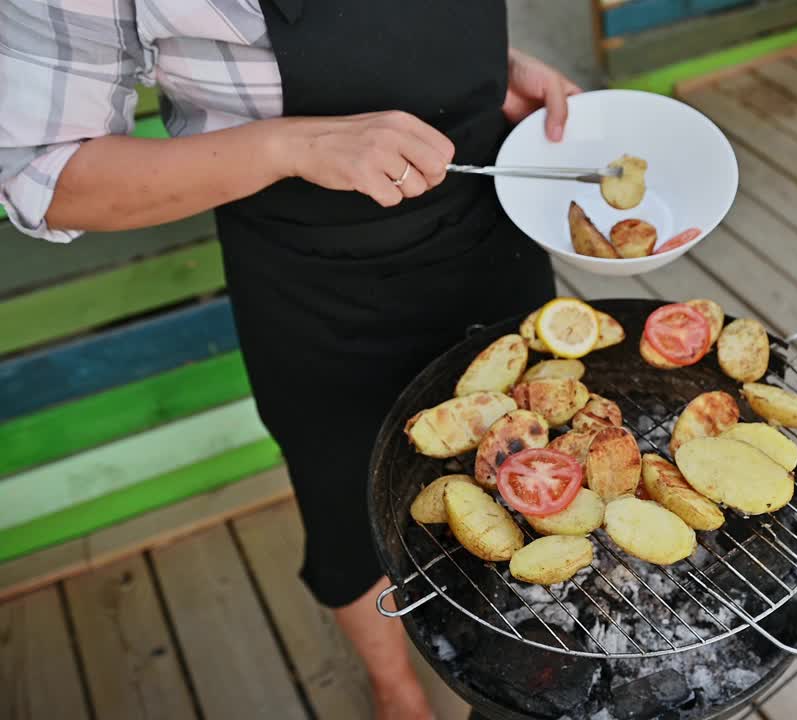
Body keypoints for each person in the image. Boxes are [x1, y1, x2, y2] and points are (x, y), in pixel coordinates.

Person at [1, 2, 582, 718]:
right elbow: (48, 177)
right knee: (348, 510)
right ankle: (397, 693)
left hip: (488, 225)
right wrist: (291, 146)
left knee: (535, 486)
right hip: (317, 284)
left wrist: (482, 71)